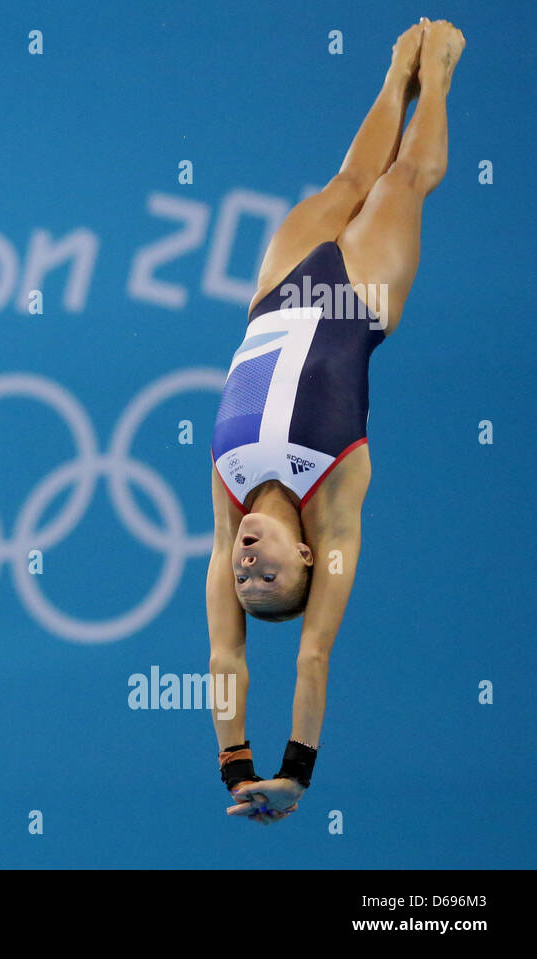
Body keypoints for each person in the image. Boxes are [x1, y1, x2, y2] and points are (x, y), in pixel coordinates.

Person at [205, 19, 464, 824]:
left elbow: (223, 655)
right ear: (309, 555)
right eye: (268, 576)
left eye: (242, 580)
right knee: (402, 182)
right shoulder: (336, 501)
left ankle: (396, 75)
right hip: (358, 300)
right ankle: (443, 74)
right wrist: (289, 773)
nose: (246, 566)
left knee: (351, 178)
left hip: (275, 292)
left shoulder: (228, 501)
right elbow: (311, 654)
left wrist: (229, 762)